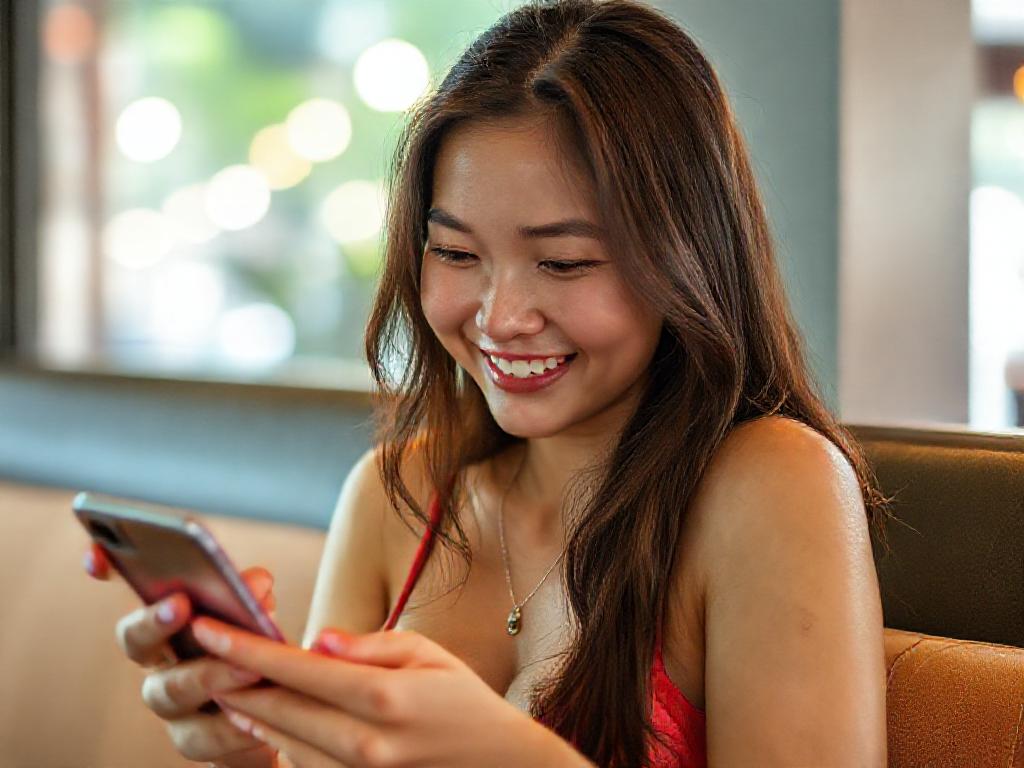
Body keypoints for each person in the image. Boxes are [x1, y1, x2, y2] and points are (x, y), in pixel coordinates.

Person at [84, 0, 894, 765]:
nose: (501, 317)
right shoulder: (393, 494)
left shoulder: (775, 485)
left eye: (564, 262)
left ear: (687, 256)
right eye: (458, 254)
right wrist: (254, 748)